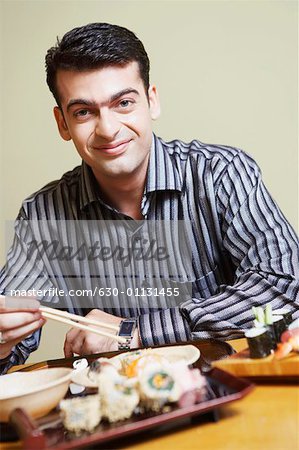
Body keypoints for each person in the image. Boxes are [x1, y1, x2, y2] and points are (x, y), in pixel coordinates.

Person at [0, 23, 298, 374]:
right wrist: (4, 342)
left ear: (151, 100)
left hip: (231, 392)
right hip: (123, 410)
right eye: (84, 112)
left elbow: (284, 285)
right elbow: (10, 317)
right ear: (62, 123)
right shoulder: (43, 218)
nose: (108, 129)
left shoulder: (219, 174)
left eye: (123, 103)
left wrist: (136, 333)